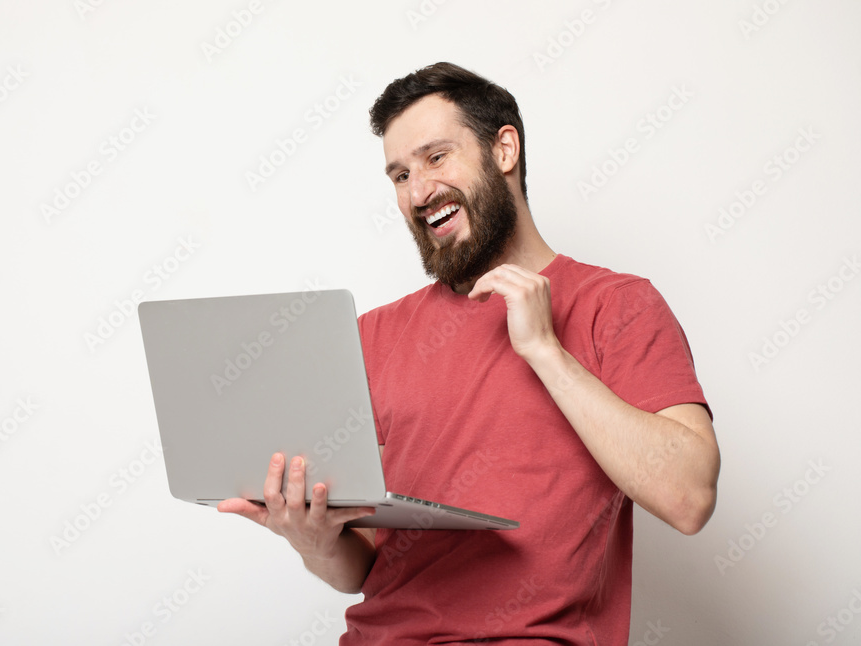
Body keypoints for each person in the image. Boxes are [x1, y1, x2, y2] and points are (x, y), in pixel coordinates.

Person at [218, 62, 720, 644]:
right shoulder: (372, 335)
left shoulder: (618, 305)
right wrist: (313, 541)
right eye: (399, 174)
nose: (418, 191)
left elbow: (688, 497)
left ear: (504, 148)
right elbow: (367, 566)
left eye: (436, 158)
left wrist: (545, 351)